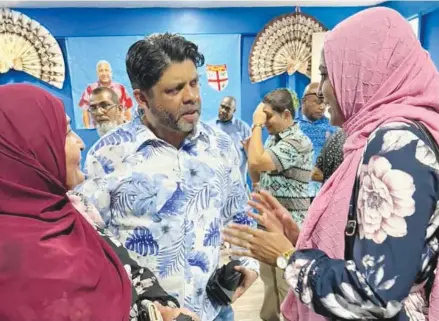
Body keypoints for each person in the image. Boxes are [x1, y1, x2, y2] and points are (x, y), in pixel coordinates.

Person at [223, 7, 439, 321]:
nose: (323, 90)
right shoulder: (378, 137)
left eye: (326, 73)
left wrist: (287, 258)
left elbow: (377, 295)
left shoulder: (396, 144)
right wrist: (300, 237)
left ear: (364, 71)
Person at [76, 33, 259, 321]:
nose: (192, 97)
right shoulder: (108, 154)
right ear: (141, 98)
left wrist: (246, 264)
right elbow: (95, 242)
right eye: (174, 89)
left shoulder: (221, 147)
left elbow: (238, 216)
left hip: (214, 311)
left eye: (194, 83)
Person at [0, 83, 198, 321]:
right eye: (65, 133)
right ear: (25, 150)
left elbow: (127, 268)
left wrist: (160, 309)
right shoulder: (11, 255)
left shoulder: (76, 208)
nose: (80, 143)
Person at [246, 88, 313, 321]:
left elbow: (257, 160)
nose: (265, 123)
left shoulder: (297, 142)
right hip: (269, 225)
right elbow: (255, 169)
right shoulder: (275, 139)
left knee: (288, 288)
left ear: (286, 115)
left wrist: (255, 126)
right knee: (270, 286)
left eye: (268, 116)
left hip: (288, 229)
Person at [297, 83, 336, 202]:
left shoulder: (334, 128)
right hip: (296, 194)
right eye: (318, 102)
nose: (322, 107)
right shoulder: (291, 127)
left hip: (325, 194)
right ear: (304, 101)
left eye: (325, 103)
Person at [210, 96, 251, 187]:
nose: (223, 110)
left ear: (234, 111)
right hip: (215, 186)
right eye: (222, 106)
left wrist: (256, 182)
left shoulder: (243, 128)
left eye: (227, 108)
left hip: (237, 185)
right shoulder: (209, 127)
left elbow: (251, 157)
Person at [79, 60, 133, 128]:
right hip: (97, 129)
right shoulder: (90, 89)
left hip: (118, 129)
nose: (104, 73)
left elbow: (128, 110)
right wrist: (87, 128)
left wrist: (127, 127)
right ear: (97, 73)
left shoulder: (120, 88)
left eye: (106, 70)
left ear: (111, 72)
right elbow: (85, 111)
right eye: (101, 71)